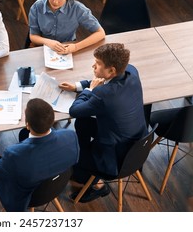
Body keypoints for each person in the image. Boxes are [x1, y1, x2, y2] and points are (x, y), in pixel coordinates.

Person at [59, 43, 147, 203]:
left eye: (98, 64)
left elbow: (74, 111)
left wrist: (89, 90)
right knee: (83, 122)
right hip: (138, 145)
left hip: (116, 158)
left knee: (70, 152)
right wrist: (78, 86)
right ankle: (85, 162)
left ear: (112, 70)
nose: (93, 66)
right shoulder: (131, 71)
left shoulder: (103, 95)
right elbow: (103, 81)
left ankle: (96, 185)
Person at [0, 98, 79, 212]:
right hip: (57, 186)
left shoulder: (15, 155)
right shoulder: (71, 136)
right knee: (24, 135)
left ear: (27, 124)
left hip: (28, 197)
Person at [28, 0, 105, 54]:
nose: (55, 1)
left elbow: (100, 33)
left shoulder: (77, 8)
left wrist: (76, 47)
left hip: (68, 48)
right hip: (44, 48)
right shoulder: (37, 7)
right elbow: (33, 36)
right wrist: (49, 42)